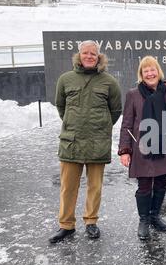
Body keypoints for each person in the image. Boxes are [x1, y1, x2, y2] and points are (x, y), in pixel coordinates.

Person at [49, 40, 122, 243]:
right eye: (85, 53)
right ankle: (66, 225)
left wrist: (102, 127)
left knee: (94, 186)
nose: (89, 56)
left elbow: (116, 110)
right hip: (71, 141)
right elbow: (61, 106)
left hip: (97, 142)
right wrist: (74, 123)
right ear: (79, 56)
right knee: (68, 186)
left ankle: (91, 221)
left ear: (99, 57)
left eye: (93, 53)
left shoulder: (109, 81)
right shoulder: (65, 79)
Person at [118, 56, 166, 240]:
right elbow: (127, 123)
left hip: (164, 146)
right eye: (146, 71)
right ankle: (143, 220)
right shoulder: (133, 94)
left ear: (158, 71)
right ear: (141, 75)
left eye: (153, 70)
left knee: (161, 183)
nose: (150, 73)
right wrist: (125, 149)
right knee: (144, 186)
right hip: (142, 148)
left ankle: (155, 216)